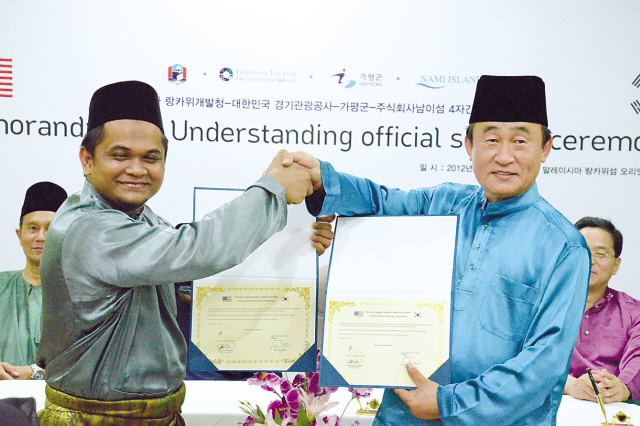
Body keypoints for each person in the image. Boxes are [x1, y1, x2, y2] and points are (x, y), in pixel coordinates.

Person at [288, 75, 591, 425]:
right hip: (405, 415)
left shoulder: (563, 247)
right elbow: (380, 202)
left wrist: (448, 403)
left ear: (546, 148)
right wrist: (322, 180)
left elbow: (542, 366)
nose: (504, 156)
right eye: (491, 139)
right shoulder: (443, 203)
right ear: (469, 145)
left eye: (520, 141)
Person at [36, 80, 320, 426]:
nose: (137, 170)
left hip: (156, 414)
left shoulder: (143, 221)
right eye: (120, 155)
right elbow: (197, 249)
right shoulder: (90, 228)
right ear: (87, 159)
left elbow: (186, 256)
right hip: (96, 419)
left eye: (151, 158)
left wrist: (298, 239)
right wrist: (273, 190)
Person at [564, 217, 640, 403]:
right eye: (583, 251)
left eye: (600, 254)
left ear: (616, 265)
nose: (590, 261)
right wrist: (570, 386)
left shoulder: (634, 312)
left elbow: (637, 360)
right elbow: (525, 360)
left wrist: (621, 388)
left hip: (611, 406)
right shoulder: (544, 304)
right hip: (553, 402)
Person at [0, 181, 67, 381]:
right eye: (32, 228)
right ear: (19, 235)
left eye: (51, 228)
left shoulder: (85, 294)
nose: (41, 237)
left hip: (64, 406)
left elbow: (92, 364)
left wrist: (35, 373)